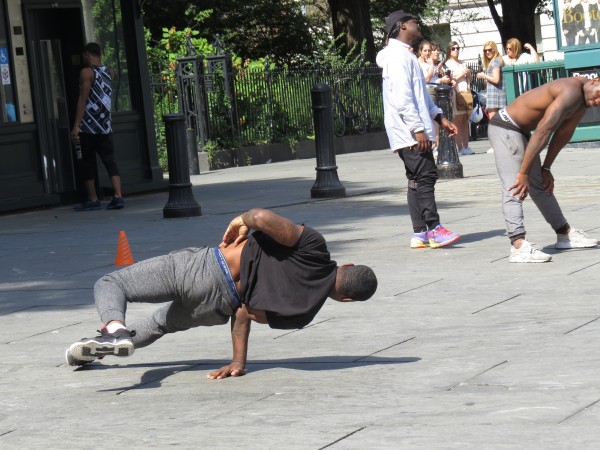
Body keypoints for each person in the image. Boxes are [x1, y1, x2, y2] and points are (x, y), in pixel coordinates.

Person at [65, 208, 378, 378]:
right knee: (160, 323)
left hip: (205, 269)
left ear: (346, 264)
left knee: (111, 284)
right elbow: (245, 312)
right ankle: (100, 349)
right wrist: (238, 361)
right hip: (218, 307)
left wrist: (241, 221)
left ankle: (115, 331)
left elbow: (261, 218)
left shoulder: (315, 247)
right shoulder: (304, 315)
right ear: (346, 299)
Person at [487, 77, 600, 263]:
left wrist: (546, 167)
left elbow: (563, 133)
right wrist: (523, 173)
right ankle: (517, 245)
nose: (597, 103)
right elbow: (543, 130)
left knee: (539, 185)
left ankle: (564, 234)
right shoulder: (571, 90)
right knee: (514, 184)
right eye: (599, 96)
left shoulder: (582, 102)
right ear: (595, 81)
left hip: (520, 131)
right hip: (505, 127)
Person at [376, 10, 461, 250]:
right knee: (426, 176)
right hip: (409, 130)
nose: (418, 25)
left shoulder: (406, 55)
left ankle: (420, 232)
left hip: (411, 128)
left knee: (415, 179)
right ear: (403, 26)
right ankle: (434, 229)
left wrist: (438, 116)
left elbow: (420, 94)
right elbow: (402, 97)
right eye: (414, 22)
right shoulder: (397, 57)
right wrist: (418, 129)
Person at [70, 42, 124, 211]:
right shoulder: (110, 72)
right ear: (100, 53)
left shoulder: (87, 72)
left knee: (85, 162)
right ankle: (118, 196)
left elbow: (83, 99)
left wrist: (76, 126)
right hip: (105, 126)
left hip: (88, 126)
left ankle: (93, 199)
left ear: (87, 54)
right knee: (109, 160)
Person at [442, 41, 474, 155]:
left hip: (466, 92)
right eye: (453, 49)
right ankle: (459, 147)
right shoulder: (448, 64)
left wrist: (469, 74)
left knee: (465, 120)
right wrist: (461, 74)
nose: (456, 50)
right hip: (456, 93)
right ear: (449, 51)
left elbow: (470, 80)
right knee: (458, 120)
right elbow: (450, 79)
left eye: (458, 48)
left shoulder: (462, 63)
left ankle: (466, 146)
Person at [476, 41, 506, 154]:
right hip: (495, 93)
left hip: (495, 95)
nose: (488, 52)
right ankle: (500, 144)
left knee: (494, 122)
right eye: (485, 50)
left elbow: (496, 79)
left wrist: (484, 75)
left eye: (490, 50)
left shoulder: (496, 61)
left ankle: (496, 145)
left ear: (495, 49)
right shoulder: (495, 61)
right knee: (499, 121)